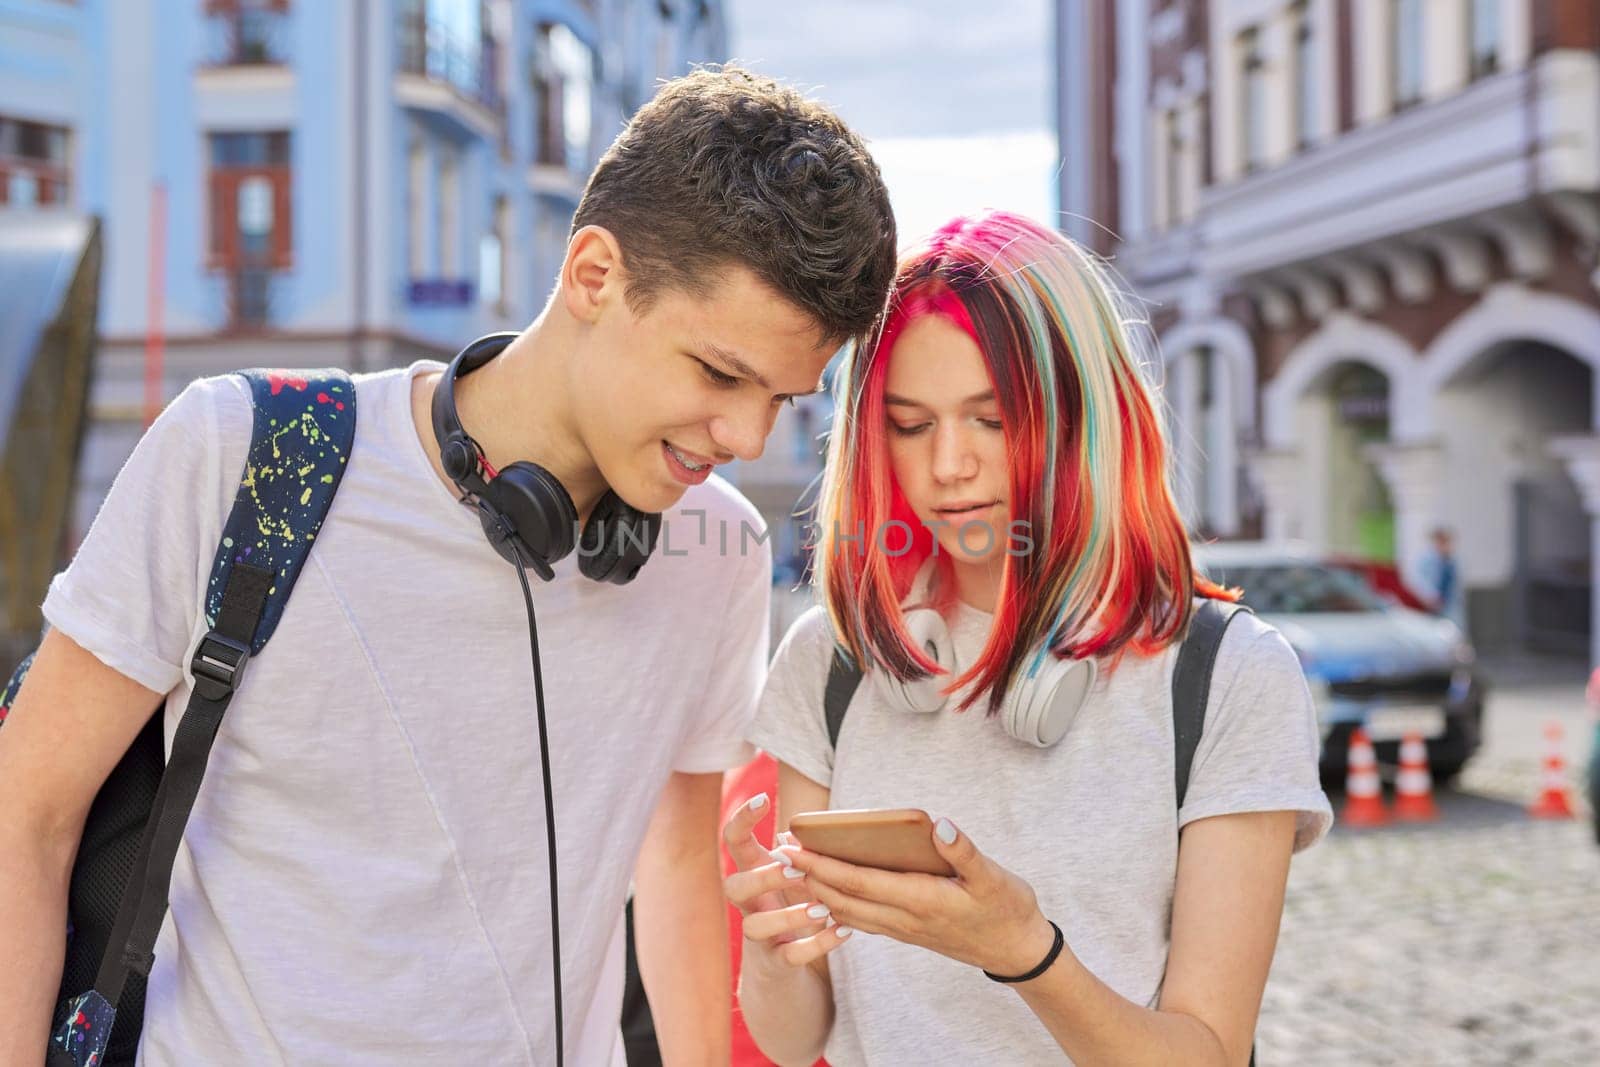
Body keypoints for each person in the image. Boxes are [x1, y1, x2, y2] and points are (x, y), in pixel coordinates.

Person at [0, 67, 897, 1064]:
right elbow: (25, 813)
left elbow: (678, 861)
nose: (742, 433)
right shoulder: (243, 452)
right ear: (594, 274)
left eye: (781, 397)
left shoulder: (719, 550)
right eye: (719, 372)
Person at [723, 211, 1332, 1065]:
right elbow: (794, 1041)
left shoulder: (1227, 674)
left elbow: (1209, 1052)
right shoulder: (833, 660)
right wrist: (768, 935)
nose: (947, 466)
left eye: (990, 417)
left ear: (1086, 414)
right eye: (910, 423)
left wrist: (1025, 954)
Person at [1418, 527, 1465, 629]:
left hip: (1450, 608)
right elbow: (1419, 582)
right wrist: (1430, 596)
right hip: (1431, 607)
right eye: (1442, 541)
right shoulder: (1425, 561)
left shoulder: (1453, 561)